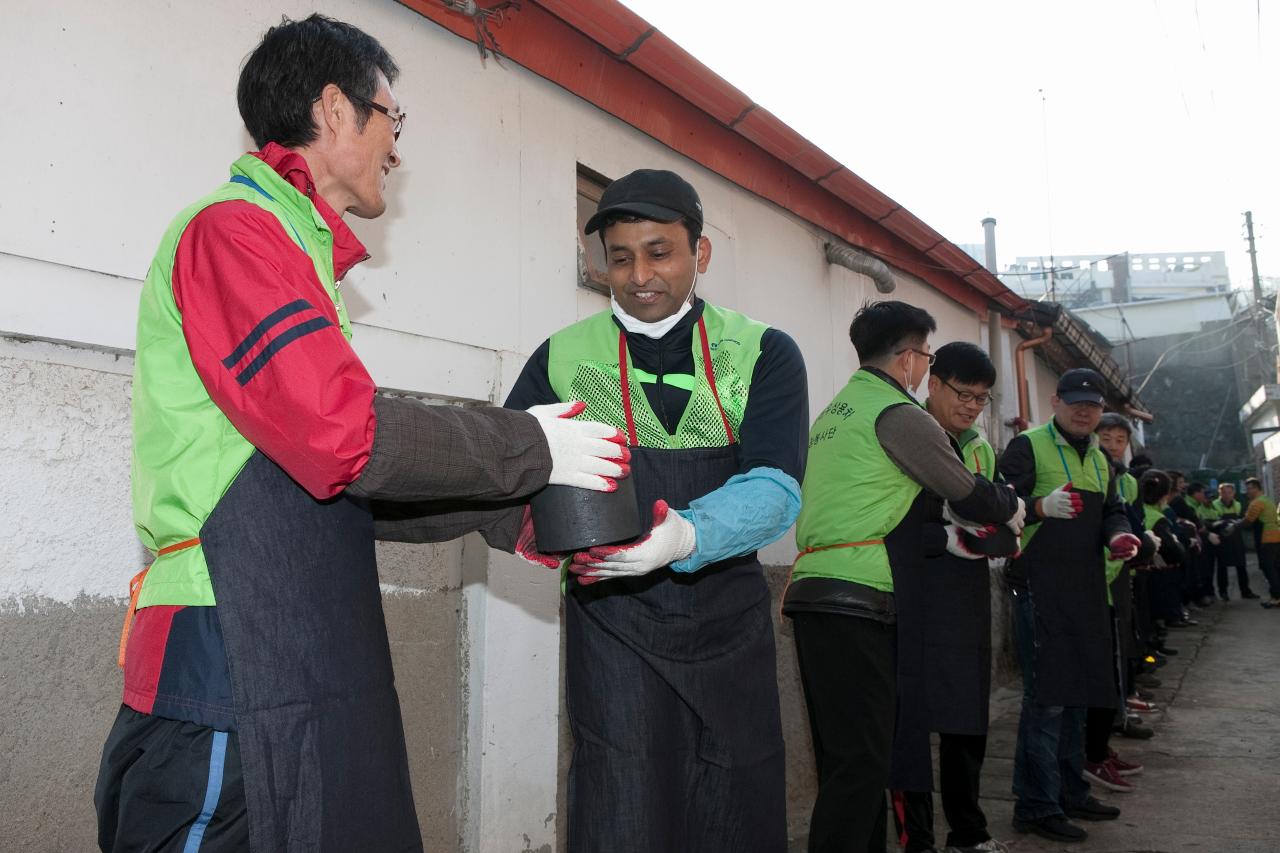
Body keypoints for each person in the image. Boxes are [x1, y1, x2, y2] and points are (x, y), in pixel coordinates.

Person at [94, 16, 630, 852]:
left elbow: (349, 490)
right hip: (226, 647)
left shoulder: (301, 261)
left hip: (298, 643)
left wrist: (527, 520)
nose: (398, 148)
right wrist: (529, 444)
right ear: (335, 111)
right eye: (394, 119)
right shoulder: (234, 233)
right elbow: (345, 435)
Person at [498, 168, 808, 851]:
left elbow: (778, 486)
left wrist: (685, 535)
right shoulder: (560, 358)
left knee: (735, 796)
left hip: (727, 618)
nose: (638, 274)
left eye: (659, 251)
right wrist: (539, 533)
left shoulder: (762, 352)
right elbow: (506, 477)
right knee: (622, 802)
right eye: (619, 256)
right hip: (612, 627)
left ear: (699, 255)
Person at [785, 302, 1024, 853]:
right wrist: (1009, 505)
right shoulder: (897, 414)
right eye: (925, 356)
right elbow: (964, 488)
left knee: (846, 759)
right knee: (864, 764)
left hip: (816, 592)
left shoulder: (835, 412)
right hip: (862, 598)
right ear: (911, 358)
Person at [998, 368, 1141, 844]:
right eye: (1075, 402)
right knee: (1047, 702)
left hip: (1084, 591)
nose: (1085, 411)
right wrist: (1039, 506)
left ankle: (1070, 790)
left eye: (1094, 405)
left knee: (1078, 696)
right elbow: (1002, 505)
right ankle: (1036, 805)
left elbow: (1113, 510)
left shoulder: (1102, 459)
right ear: (1055, 402)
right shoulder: (1028, 446)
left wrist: (1120, 535)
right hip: (1039, 589)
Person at [888, 341, 1014, 853]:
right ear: (932, 384)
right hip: (910, 602)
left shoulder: (981, 449)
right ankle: (917, 840)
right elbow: (887, 527)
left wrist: (984, 534)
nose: (971, 406)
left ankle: (969, 833)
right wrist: (947, 536)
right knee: (910, 730)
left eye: (982, 399)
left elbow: (1008, 521)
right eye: (963, 393)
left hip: (964, 606)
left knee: (967, 726)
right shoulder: (901, 434)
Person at [1212, 483, 1257, 599]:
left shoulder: (1238, 505)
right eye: (1224, 493)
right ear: (1219, 493)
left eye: (1229, 493)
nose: (1227, 495)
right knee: (1222, 568)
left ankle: (1245, 591)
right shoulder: (1214, 505)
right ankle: (1223, 592)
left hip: (1236, 539)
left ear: (1233, 493)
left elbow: (1244, 520)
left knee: (1241, 566)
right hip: (1222, 540)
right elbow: (1211, 523)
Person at [1243, 478, 1280, 608]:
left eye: (1249, 488)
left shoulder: (1256, 503)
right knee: (1276, 568)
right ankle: (1275, 596)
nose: (1247, 491)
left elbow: (1248, 521)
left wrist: (1234, 526)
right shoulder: (1267, 500)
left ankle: (1276, 597)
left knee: (1268, 568)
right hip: (1276, 537)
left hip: (1266, 538)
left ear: (1256, 488)